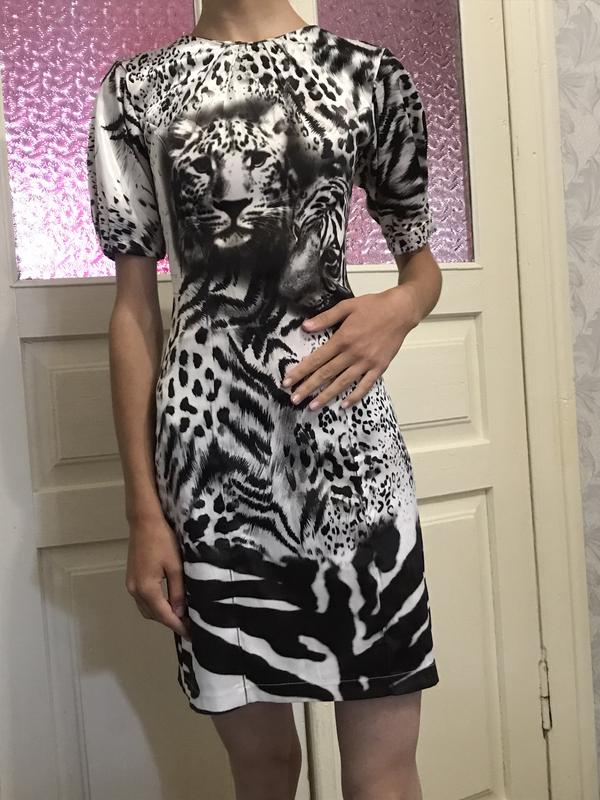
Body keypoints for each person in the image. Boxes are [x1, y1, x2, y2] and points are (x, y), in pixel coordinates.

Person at [86, 0, 443, 797]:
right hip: (210, 475)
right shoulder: (136, 89)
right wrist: (143, 514)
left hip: (354, 462)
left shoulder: (366, 73)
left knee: (383, 773)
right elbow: (134, 311)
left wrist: (398, 310)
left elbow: (422, 268)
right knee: (263, 768)